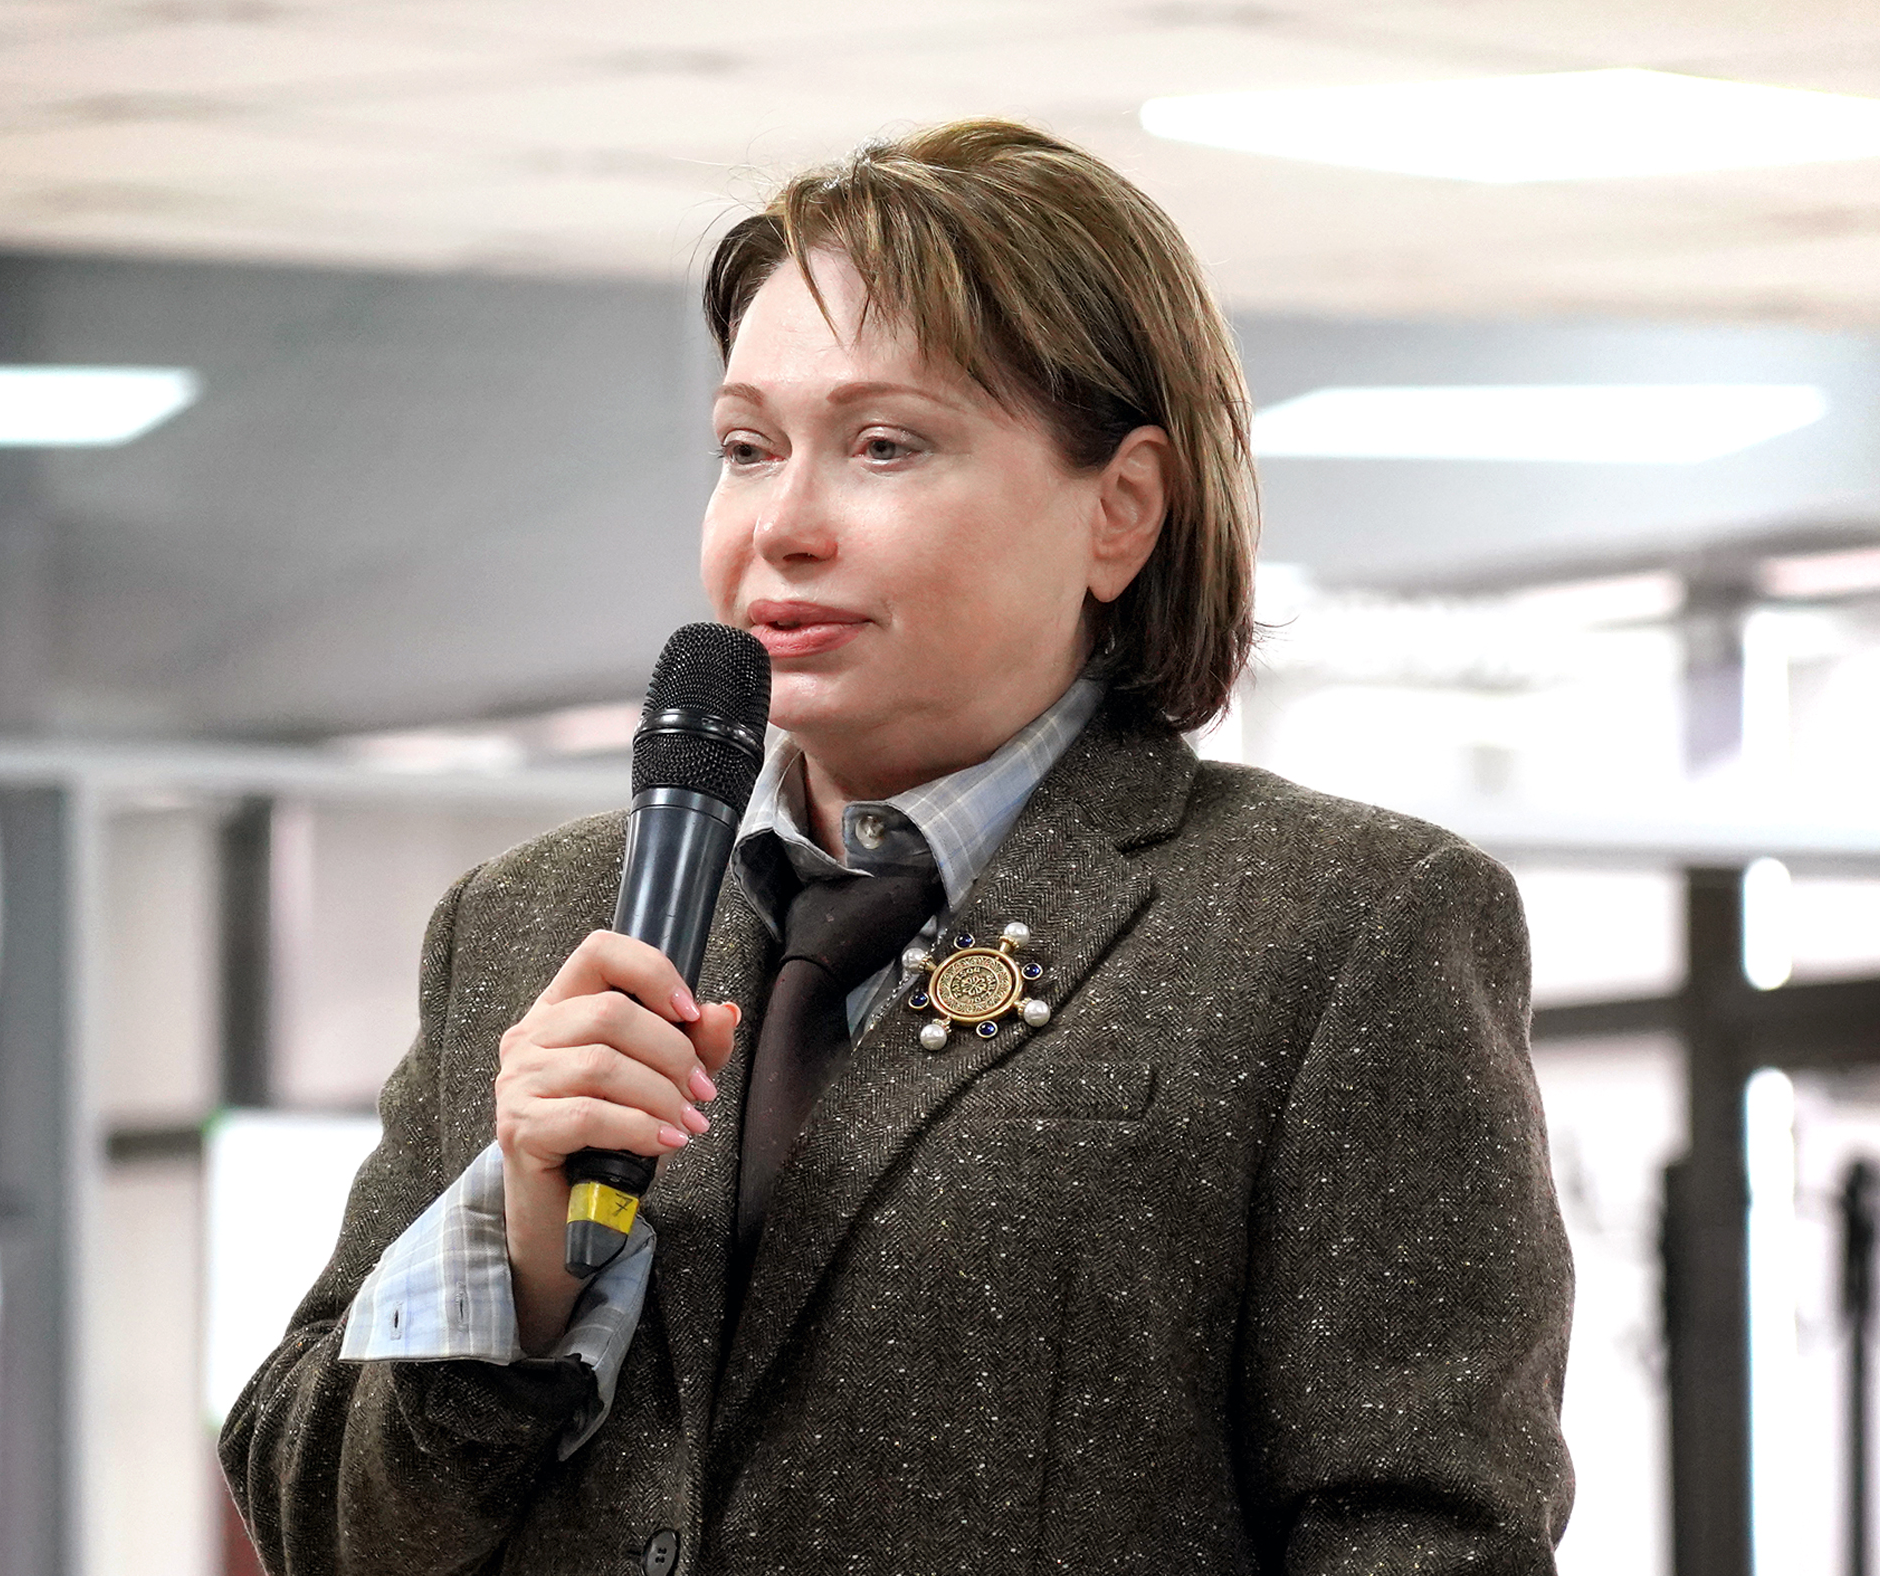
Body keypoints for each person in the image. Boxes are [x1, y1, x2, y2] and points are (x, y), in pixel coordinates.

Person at [221, 119, 1573, 1574]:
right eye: (747, 449)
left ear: (1120, 510)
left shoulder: (1339, 926)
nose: (784, 524)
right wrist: (521, 1251)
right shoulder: (529, 922)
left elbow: (1424, 1537)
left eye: (884, 446)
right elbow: (320, 1524)